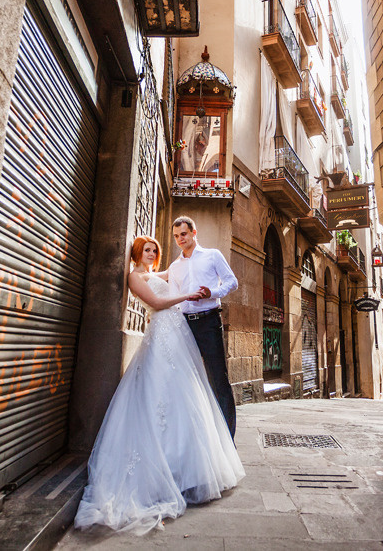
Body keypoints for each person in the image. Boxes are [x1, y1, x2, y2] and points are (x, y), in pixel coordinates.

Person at [74, 236, 244, 535]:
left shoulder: (156, 273)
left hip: (177, 335)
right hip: (161, 336)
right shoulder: (134, 277)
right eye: (146, 250)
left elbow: (182, 268)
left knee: (186, 397)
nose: (151, 254)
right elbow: (156, 302)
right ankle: (161, 472)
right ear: (137, 253)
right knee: (159, 393)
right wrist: (187, 297)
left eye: (154, 250)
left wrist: (202, 273)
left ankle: (188, 469)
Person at [168, 216, 239, 438]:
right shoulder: (174, 267)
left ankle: (227, 439)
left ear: (194, 233)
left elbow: (232, 282)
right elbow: (174, 297)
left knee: (218, 379)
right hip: (184, 325)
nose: (180, 239)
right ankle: (195, 438)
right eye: (177, 236)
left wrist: (212, 292)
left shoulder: (212, 256)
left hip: (208, 322)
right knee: (185, 379)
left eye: (184, 234)